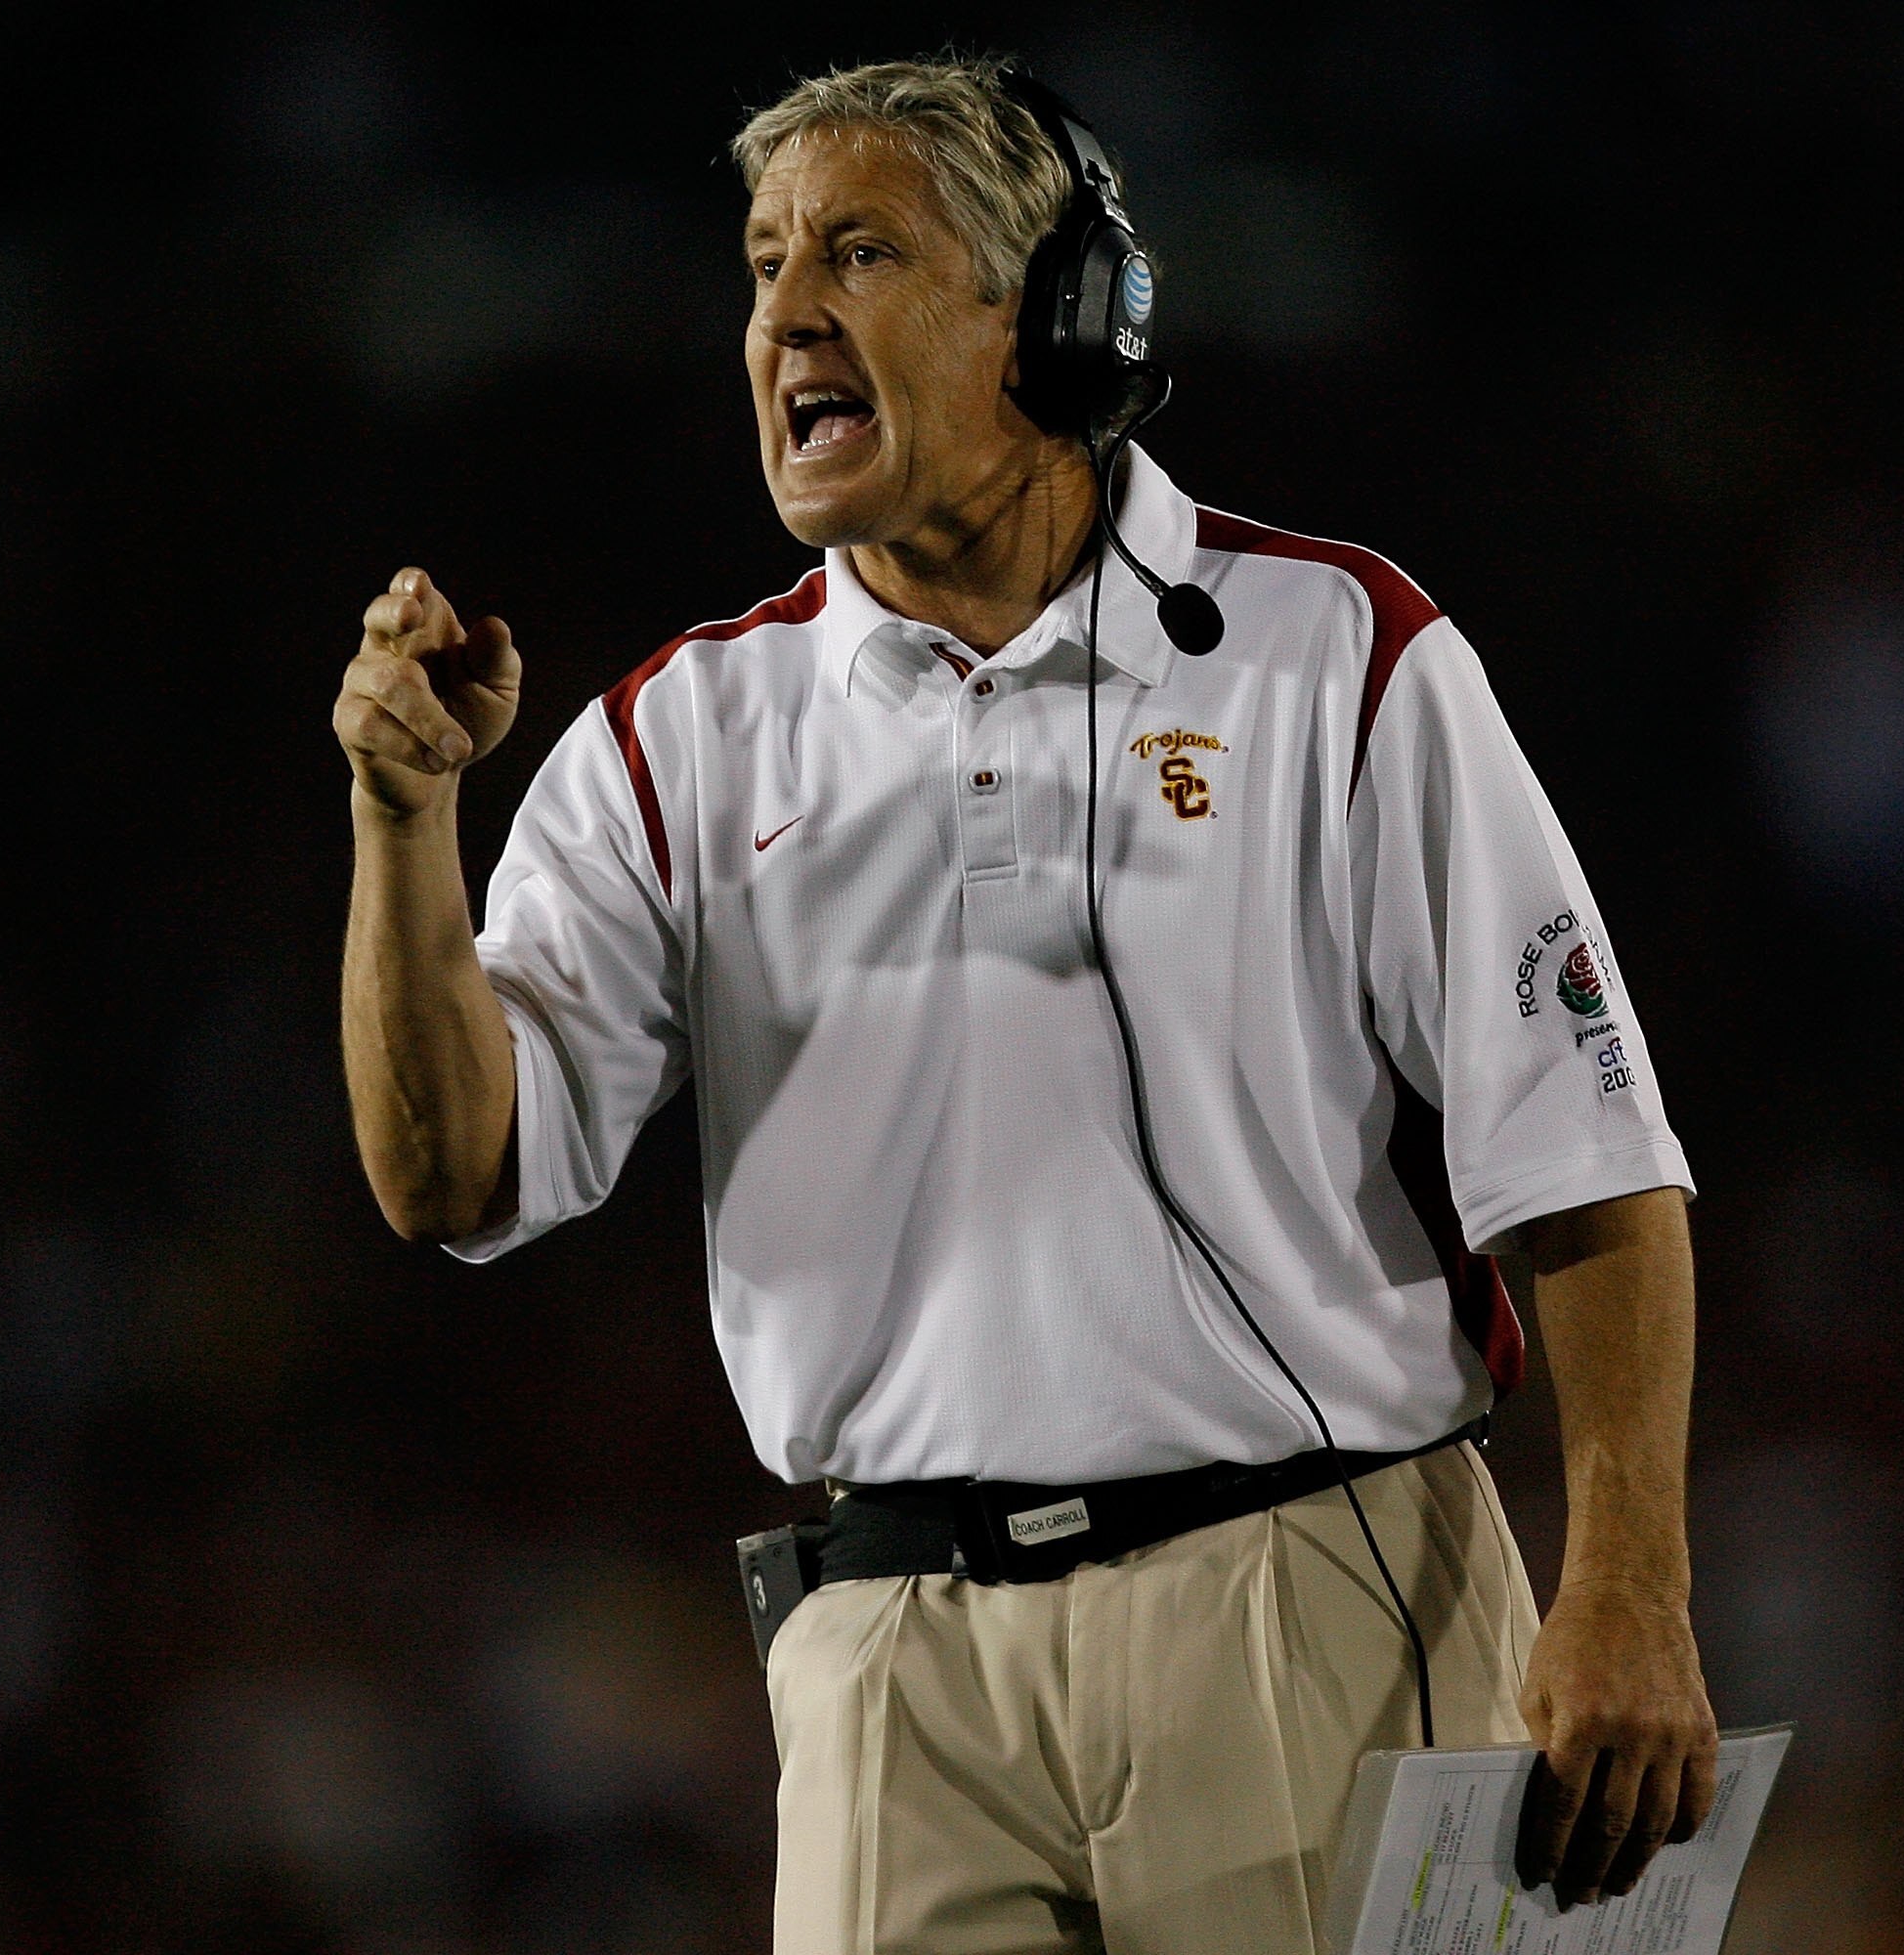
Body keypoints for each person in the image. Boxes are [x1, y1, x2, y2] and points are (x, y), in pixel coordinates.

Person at [335, 54, 1715, 1955]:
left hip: (1314, 1592)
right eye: (761, 265)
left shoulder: (1338, 653)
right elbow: (451, 1175)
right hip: (894, 1660)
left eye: (861, 249)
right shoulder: (677, 739)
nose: (785, 313)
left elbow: (1587, 1164)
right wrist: (405, 823)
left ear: (1056, 313)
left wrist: (1629, 1582)